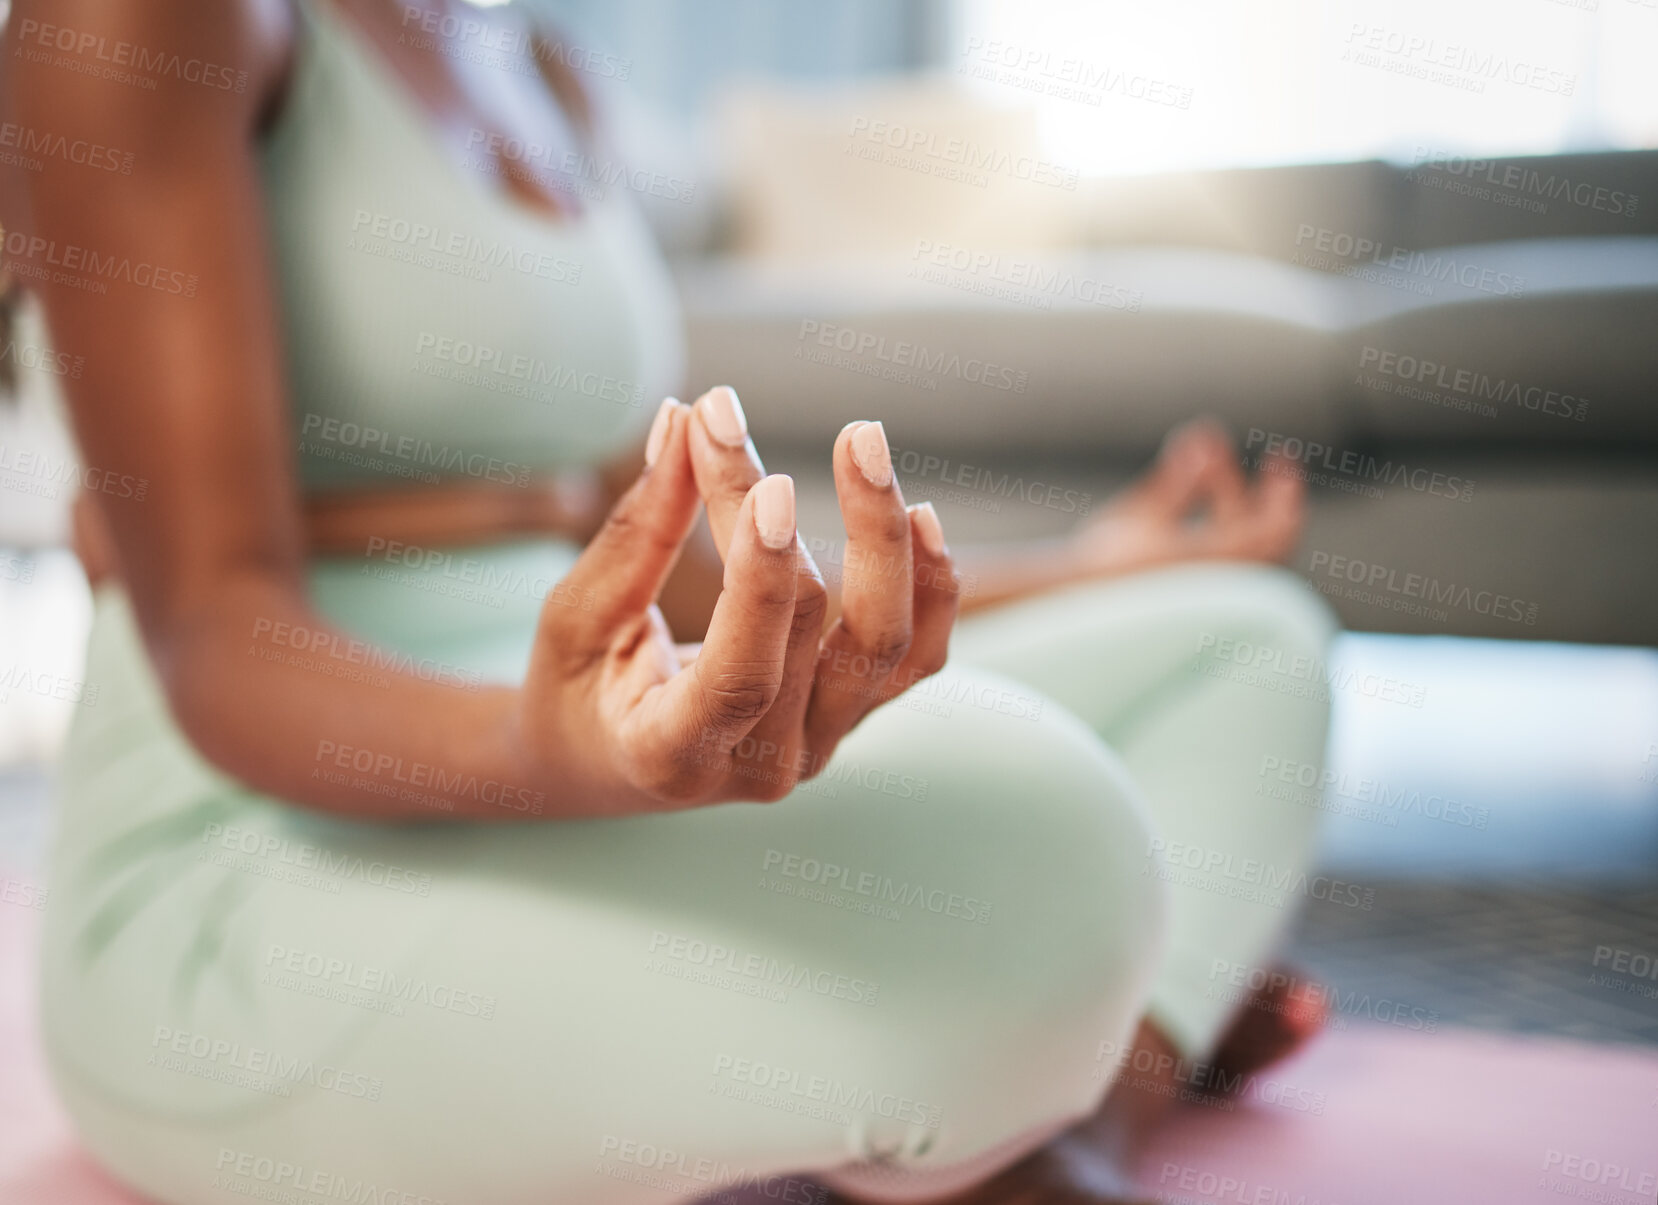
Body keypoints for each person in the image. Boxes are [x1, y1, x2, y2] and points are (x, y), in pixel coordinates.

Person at [2, 1, 1336, 1201]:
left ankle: (1065, 1127)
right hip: (255, 873)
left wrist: (1091, 561)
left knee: (1245, 644)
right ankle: (1089, 1055)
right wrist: (546, 750)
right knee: (1057, 832)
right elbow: (212, 628)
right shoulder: (145, 19)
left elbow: (668, 546)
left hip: (595, 747)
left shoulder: (545, 70)